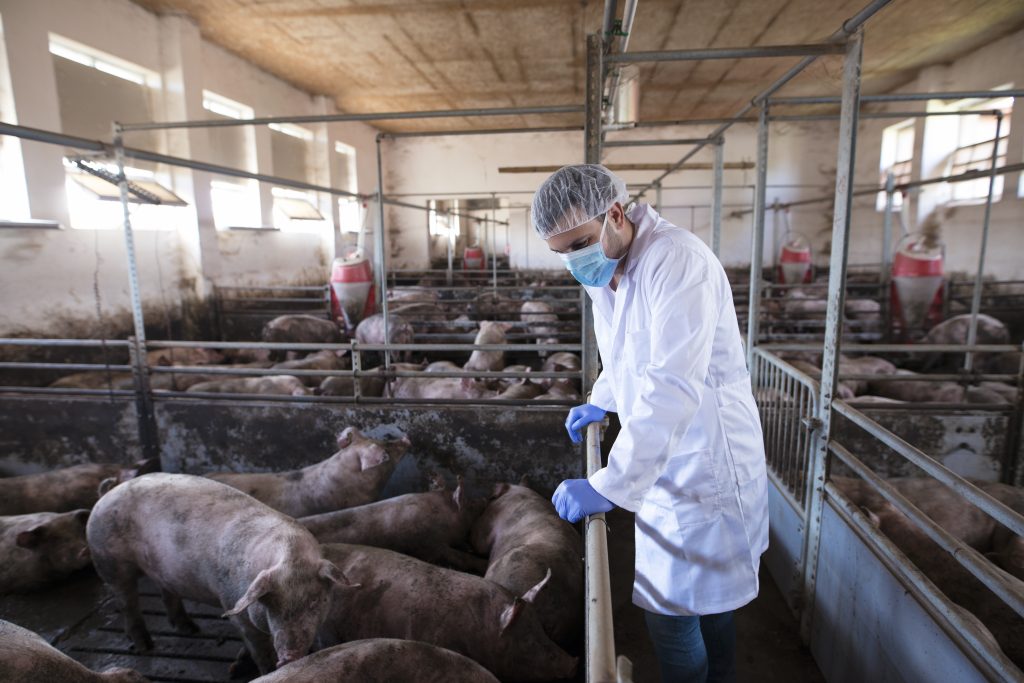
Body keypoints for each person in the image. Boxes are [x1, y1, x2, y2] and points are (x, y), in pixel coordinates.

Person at [532, 164, 769, 683]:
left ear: (615, 214)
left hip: (705, 459)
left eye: (580, 243)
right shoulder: (610, 264)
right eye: (562, 252)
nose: (574, 261)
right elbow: (622, 351)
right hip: (667, 455)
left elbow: (671, 384)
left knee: (673, 616)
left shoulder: (676, 261)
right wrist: (605, 398)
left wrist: (609, 482)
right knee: (710, 598)